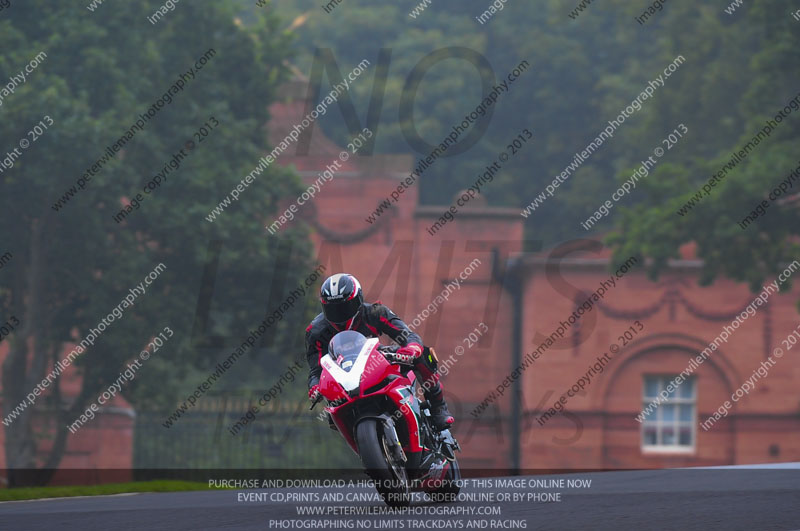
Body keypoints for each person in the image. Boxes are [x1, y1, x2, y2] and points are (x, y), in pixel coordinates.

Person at [305, 273, 454, 430]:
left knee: (423, 354)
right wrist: (315, 386)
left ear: (358, 300)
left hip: (376, 359)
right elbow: (316, 369)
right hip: (343, 375)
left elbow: (406, 334)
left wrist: (412, 348)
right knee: (330, 412)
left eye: (345, 307)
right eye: (333, 310)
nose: (341, 315)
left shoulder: (375, 312)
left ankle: (438, 406)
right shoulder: (316, 331)